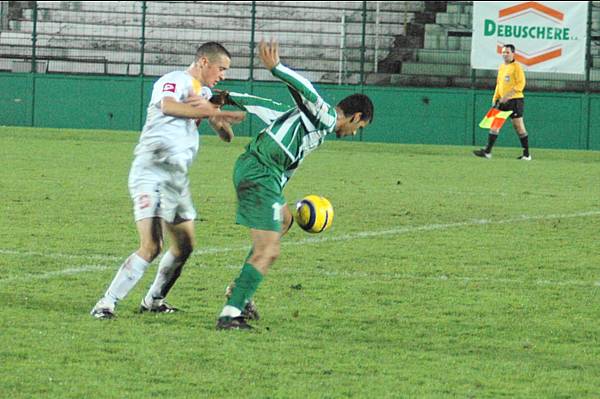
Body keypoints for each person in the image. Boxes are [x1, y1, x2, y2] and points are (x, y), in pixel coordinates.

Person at [215, 40, 374, 330]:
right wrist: (278, 69)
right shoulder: (326, 117)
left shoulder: (306, 120)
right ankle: (231, 312)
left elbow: (266, 106)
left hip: (263, 174)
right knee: (269, 250)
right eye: (358, 128)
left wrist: (226, 97)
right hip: (259, 173)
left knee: (285, 220)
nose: (353, 133)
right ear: (356, 116)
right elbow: (307, 91)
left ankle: (241, 292)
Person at [90, 42, 245, 319]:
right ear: (203, 62)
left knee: (185, 246)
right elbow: (168, 106)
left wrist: (218, 115)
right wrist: (210, 111)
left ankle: (154, 300)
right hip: (152, 169)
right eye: (221, 69)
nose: (223, 75)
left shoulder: (205, 93)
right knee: (151, 246)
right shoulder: (175, 80)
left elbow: (226, 137)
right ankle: (106, 303)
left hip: (176, 178)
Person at [474, 44, 531, 160]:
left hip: (515, 100)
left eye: (507, 52)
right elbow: (499, 84)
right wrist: (495, 98)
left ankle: (527, 154)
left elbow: (521, 84)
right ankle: (487, 152)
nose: (505, 54)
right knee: (495, 124)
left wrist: (508, 96)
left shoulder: (517, 67)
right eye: (503, 52)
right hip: (502, 100)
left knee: (519, 127)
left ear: (513, 53)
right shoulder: (502, 67)